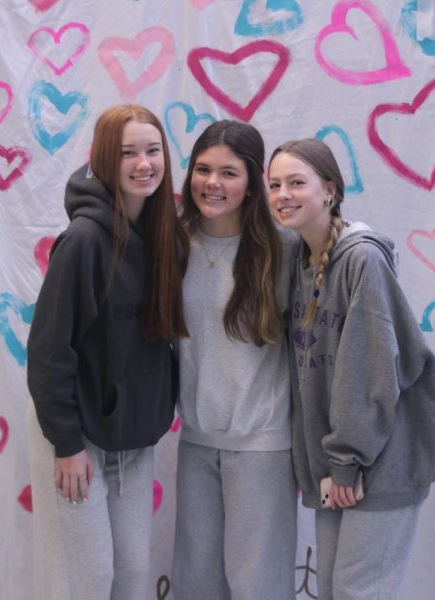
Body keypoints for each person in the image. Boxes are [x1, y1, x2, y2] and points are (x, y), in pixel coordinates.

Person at [268, 138, 435, 600]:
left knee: (358, 592)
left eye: (296, 183)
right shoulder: (299, 263)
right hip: (339, 464)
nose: (282, 194)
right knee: (333, 590)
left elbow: (370, 372)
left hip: (381, 462)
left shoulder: (361, 259)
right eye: (274, 184)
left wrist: (347, 461)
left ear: (329, 191)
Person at [25, 104, 187, 600]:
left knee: (134, 572)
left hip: (132, 436)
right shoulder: (83, 241)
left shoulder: (165, 238)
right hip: (78, 434)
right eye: (127, 153)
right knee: (91, 578)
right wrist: (67, 444)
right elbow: (50, 351)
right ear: (103, 159)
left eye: (153, 150)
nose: (144, 164)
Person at [171, 120, 298, 600]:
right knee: (195, 584)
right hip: (196, 441)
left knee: (258, 586)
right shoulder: (174, 244)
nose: (213, 183)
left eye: (229, 172)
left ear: (252, 183)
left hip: (262, 446)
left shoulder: (282, 250)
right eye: (203, 169)